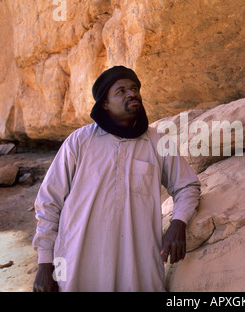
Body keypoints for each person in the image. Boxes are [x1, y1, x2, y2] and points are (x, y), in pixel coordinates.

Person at [32, 66, 201, 292]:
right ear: (105, 103)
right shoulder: (79, 142)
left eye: (134, 88)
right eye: (120, 91)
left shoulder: (158, 142)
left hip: (137, 268)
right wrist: (44, 263)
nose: (131, 94)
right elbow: (48, 202)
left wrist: (178, 222)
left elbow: (187, 186)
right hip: (79, 264)